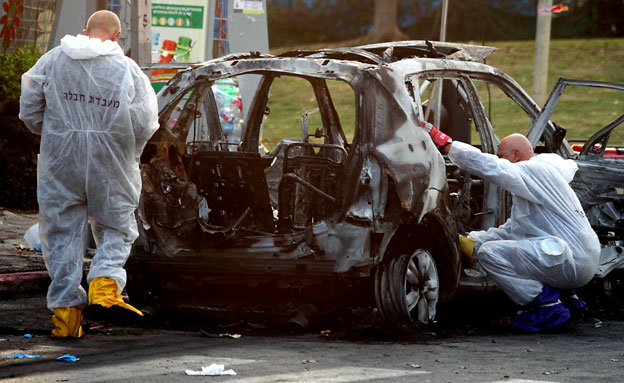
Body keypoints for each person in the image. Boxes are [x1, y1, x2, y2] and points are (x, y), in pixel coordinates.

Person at [19, 10, 159, 338]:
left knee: (61, 233)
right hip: (110, 162)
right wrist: (118, 141)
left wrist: (58, 133)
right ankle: (104, 285)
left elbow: (29, 107)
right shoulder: (127, 69)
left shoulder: (53, 61)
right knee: (115, 226)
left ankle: (66, 317)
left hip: (61, 160)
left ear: (85, 31)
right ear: (117, 37)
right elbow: (145, 121)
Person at [426, 123, 600, 331]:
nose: (499, 159)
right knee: (505, 248)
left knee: (490, 254)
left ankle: (547, 307)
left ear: (516, 155)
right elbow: (514, 231)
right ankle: (567, 299)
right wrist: (470, 238)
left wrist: (448, 145)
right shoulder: (542, 179)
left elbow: (490, 166)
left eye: (501, 155)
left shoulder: (533, 170)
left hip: (571, 260)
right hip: (580, 258)